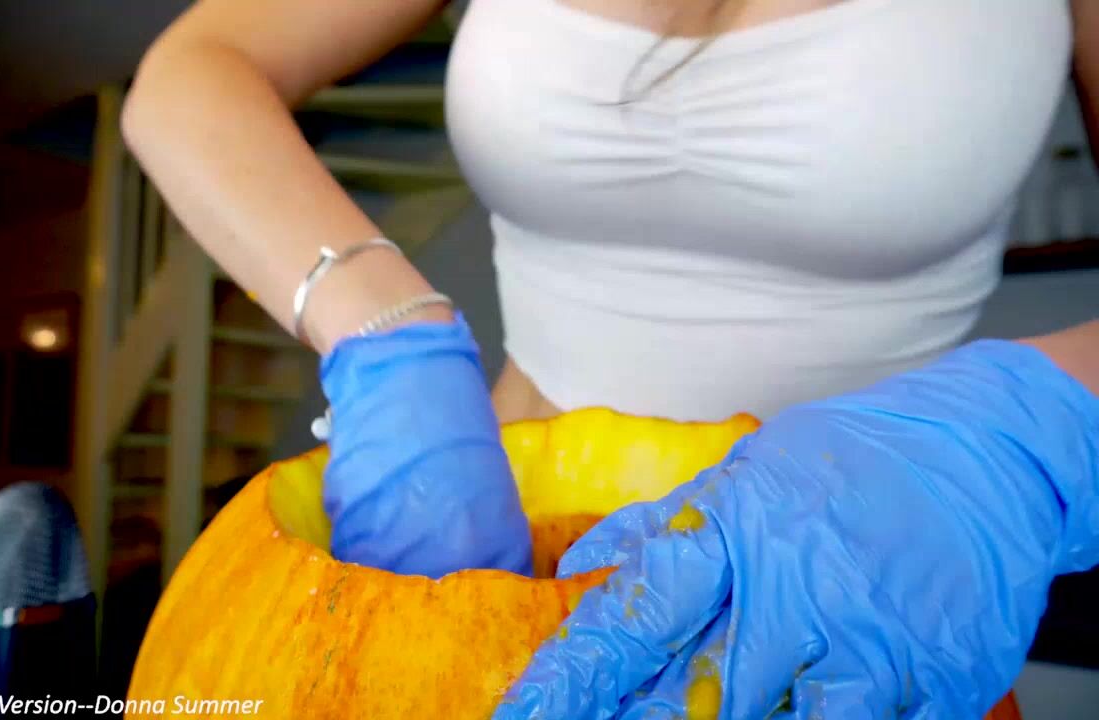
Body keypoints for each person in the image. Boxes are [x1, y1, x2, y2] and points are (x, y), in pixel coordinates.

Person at [121, 0, 1099, 715]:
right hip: (483, 571)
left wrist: (1024, 433)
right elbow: (197, 66)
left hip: (854, 600)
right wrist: (381, 326)